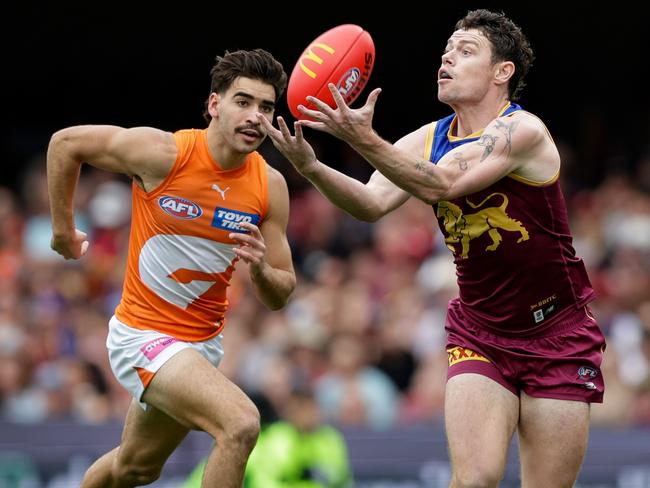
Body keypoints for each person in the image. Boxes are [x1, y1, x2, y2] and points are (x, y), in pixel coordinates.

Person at [260, 9, 606, 487]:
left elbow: (444, 183)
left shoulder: (523, 132)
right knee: (474, 480)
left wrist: (363, 138)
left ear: (502, 72)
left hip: (558, 337)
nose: (447, 59)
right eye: (446, 51)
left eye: (466, 52)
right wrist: (313, 167)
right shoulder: (429, 137)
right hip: (480, 331)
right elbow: (370, 202)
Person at [47, 48, 296, 488]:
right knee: (240, 424)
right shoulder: (163, 153)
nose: (256, 116)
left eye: (266, 107)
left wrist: (259, 270)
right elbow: (66, 144)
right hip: (142, 336)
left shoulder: (269, 186)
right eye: (243, 101)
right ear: (214, 104)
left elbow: (281, 293)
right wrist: (64, 232)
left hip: (200, 346)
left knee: (135, 469)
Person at [183, 389, 353, 488]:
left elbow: (340, 476)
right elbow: (266, 481)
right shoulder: (279, 437)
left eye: (312, 409)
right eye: (303, 409)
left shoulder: (331, 438)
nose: (309, 415)